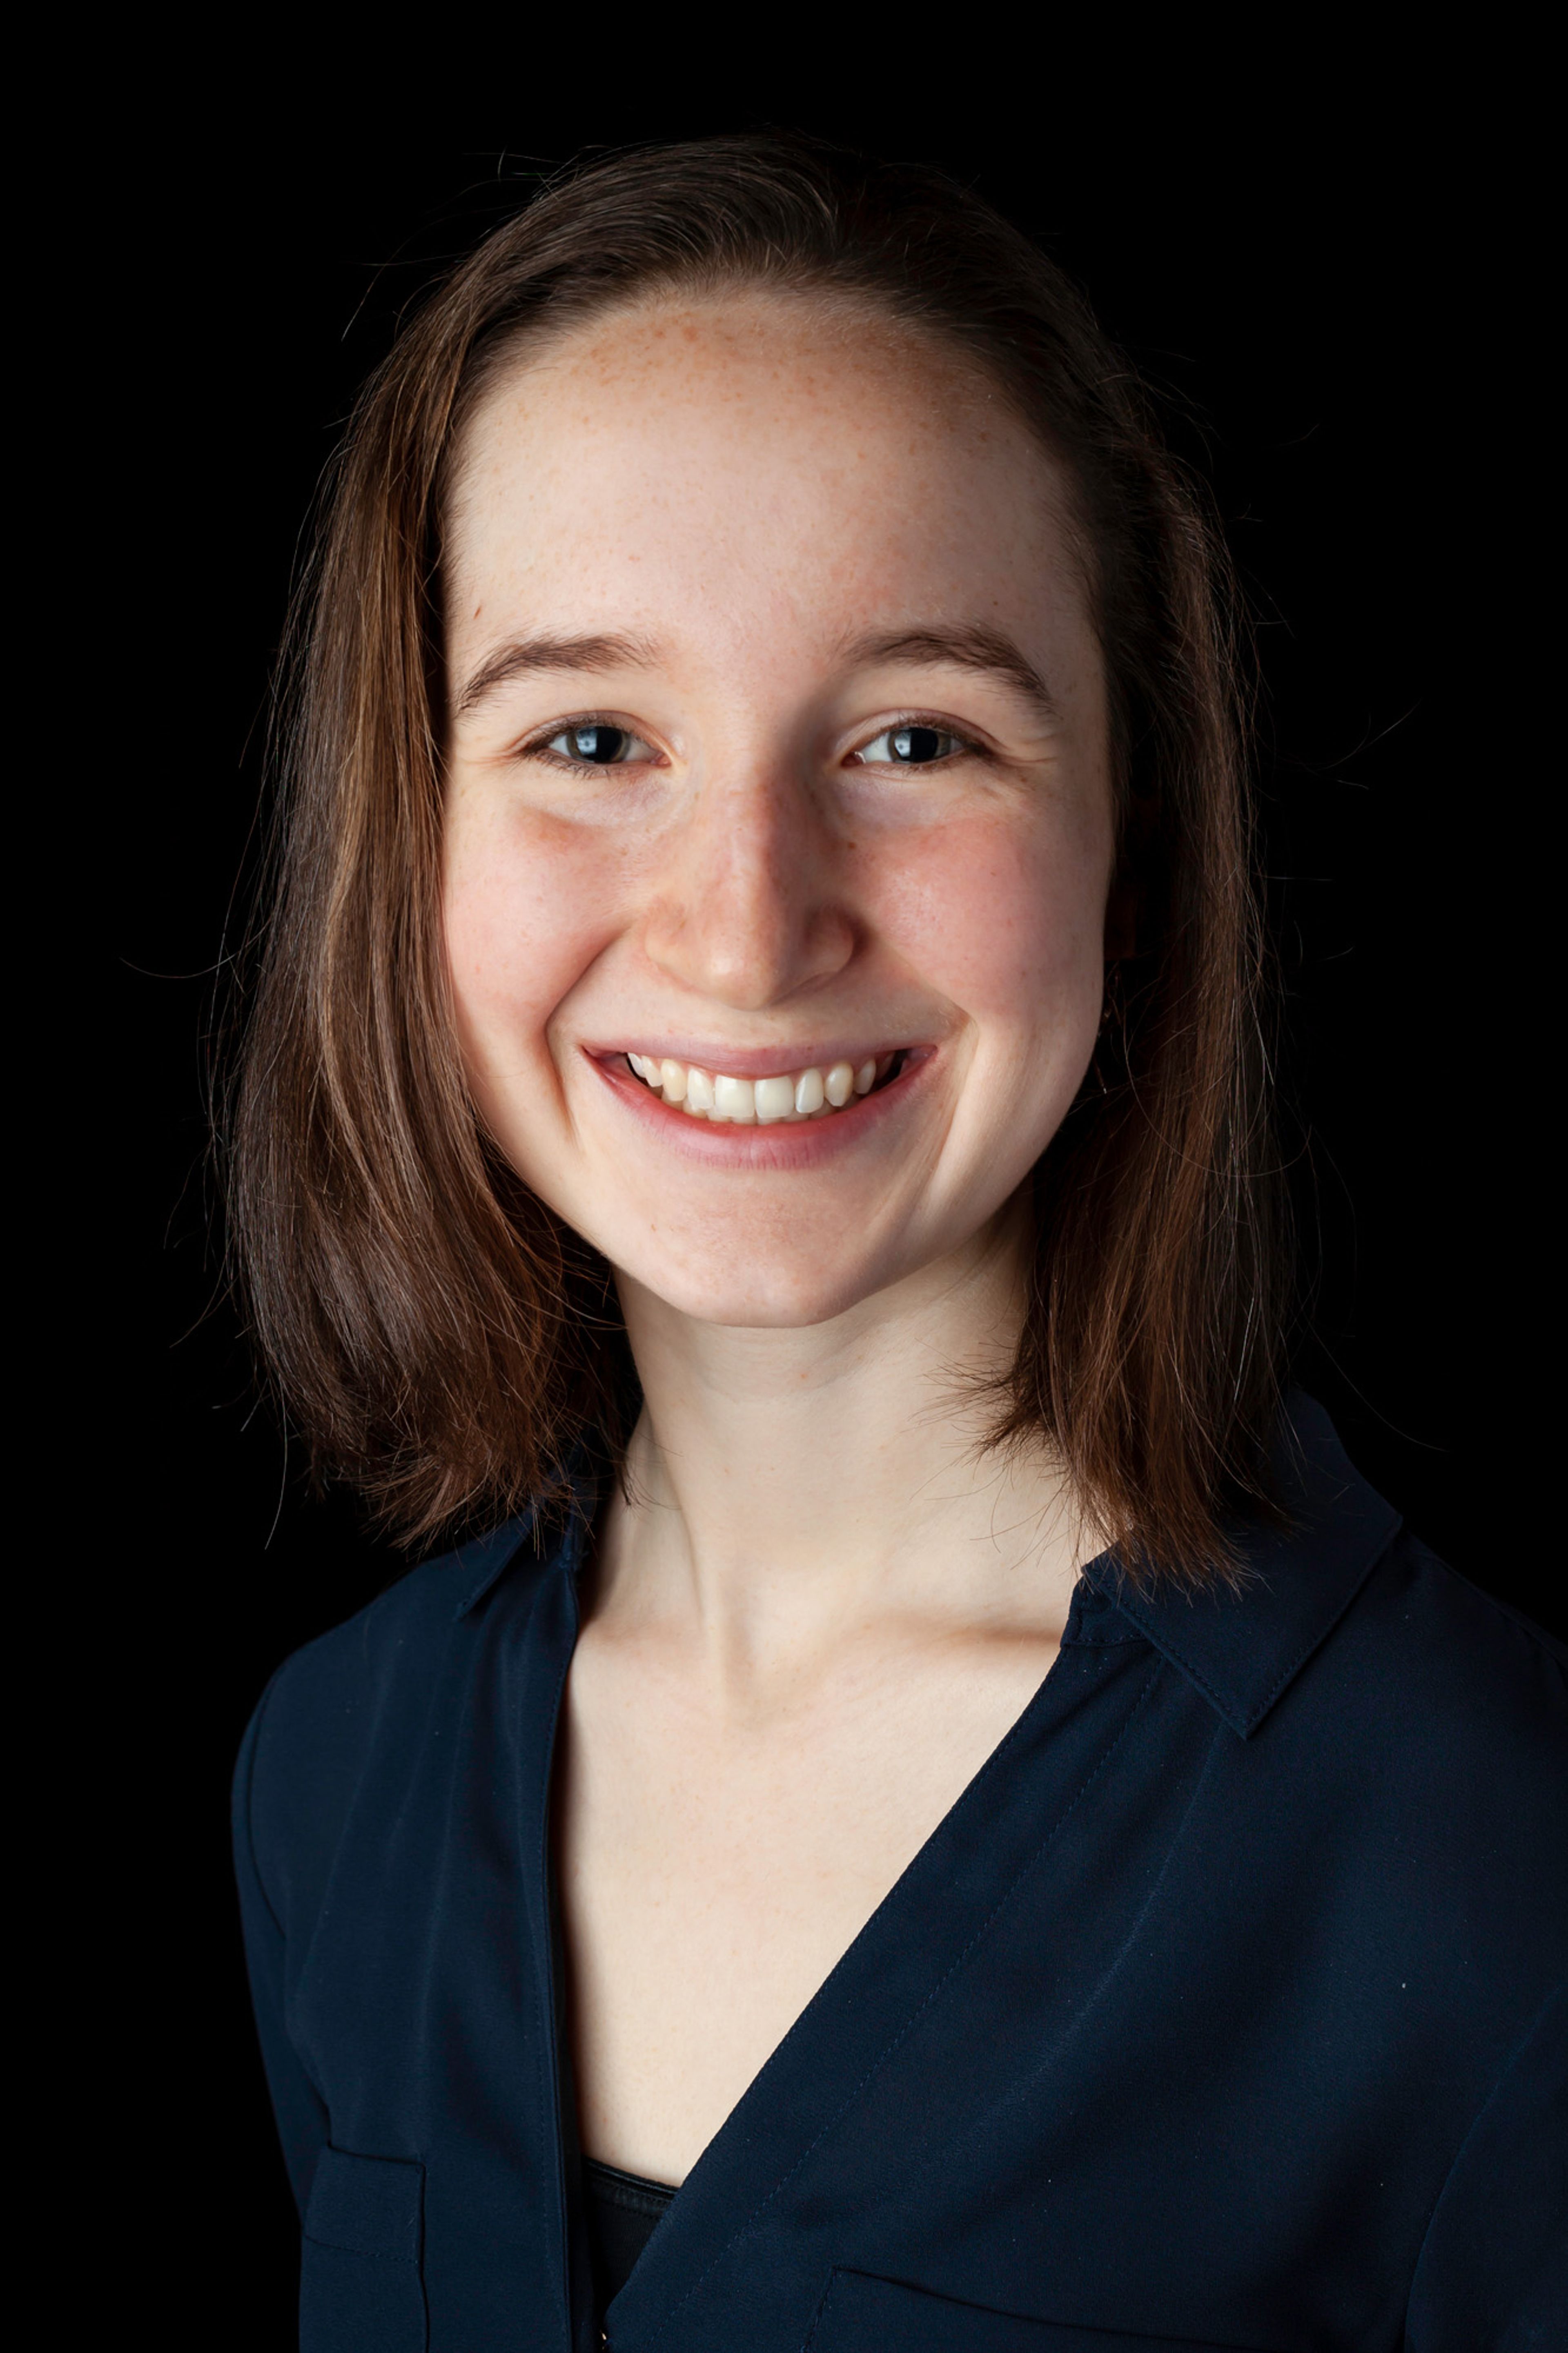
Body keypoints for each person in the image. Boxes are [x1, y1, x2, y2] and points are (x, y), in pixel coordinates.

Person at [228, 138, 1564, 2352]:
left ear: (1131, 847)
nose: (751, 927)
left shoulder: (1488, 1863)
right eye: (590, 737)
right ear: (412, 841)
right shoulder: (337, 1769)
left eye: (915, 737)